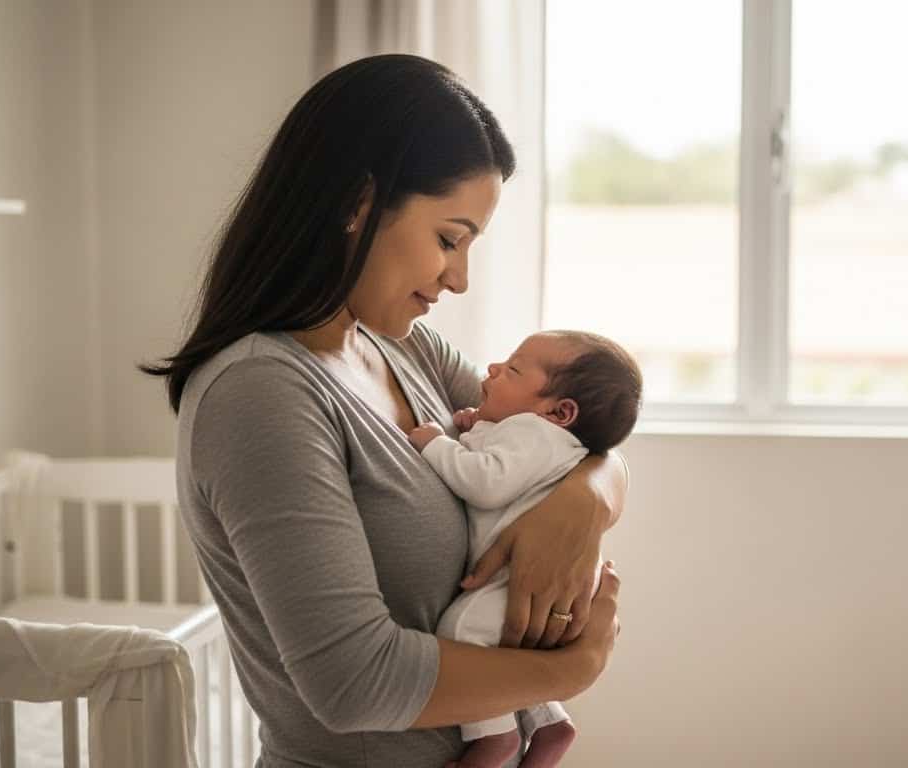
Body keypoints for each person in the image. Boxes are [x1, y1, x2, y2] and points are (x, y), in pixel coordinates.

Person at [139, 54, 626, 768]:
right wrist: (573, 670)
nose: (458, 279)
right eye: (448, 239)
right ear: (356, 204)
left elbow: (580, 438)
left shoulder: (404, 350)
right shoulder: (260, 393)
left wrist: (581, 502)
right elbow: (354, 682)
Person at [406, 331, 642, 768]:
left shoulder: (534, 433)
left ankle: (495, 739)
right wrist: (474, 425)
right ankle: (550, 723)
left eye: (513, 369)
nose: (493, 369)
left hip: (516, 578)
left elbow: (488, 482)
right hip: (521, 577)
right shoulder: (538, 433)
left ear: (559, 412)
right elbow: (502, 455)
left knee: (463, 633)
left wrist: (436, 443)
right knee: (508, 656)